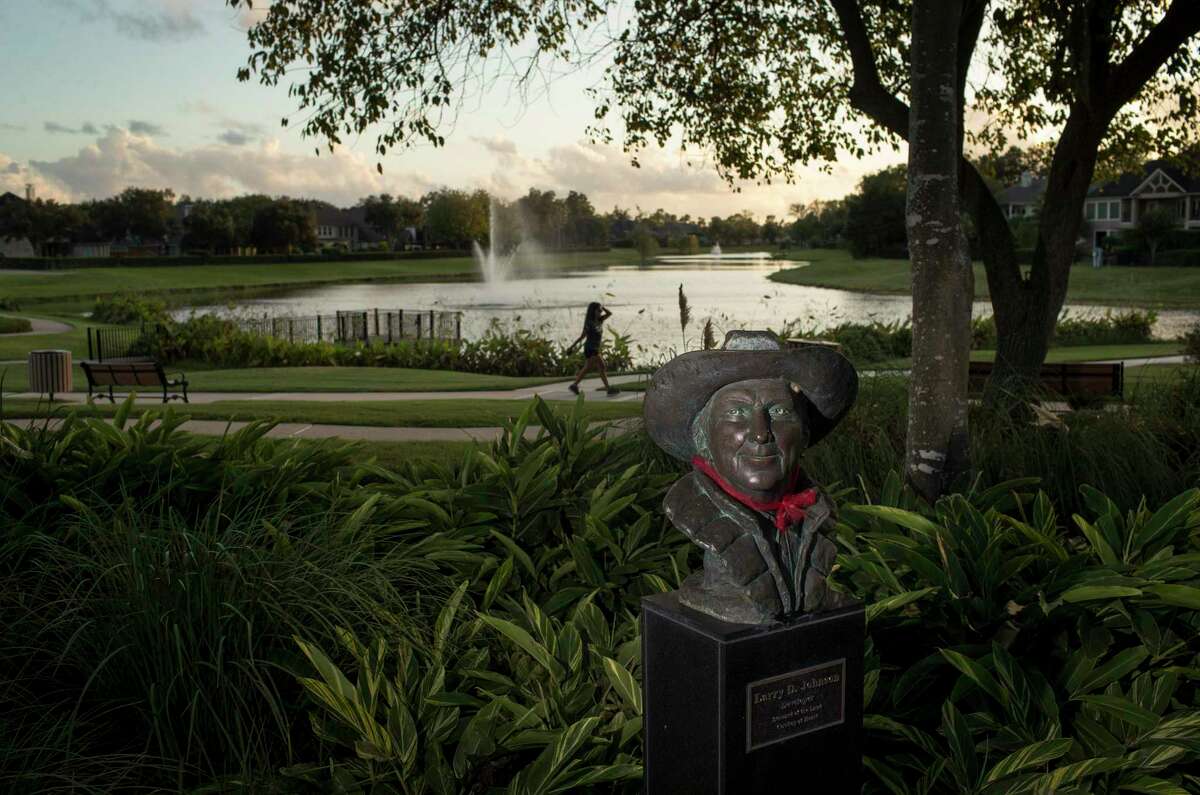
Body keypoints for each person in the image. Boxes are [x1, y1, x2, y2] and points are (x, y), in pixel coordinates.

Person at [566, 301, 619, 396]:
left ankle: (574, 385)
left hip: (596, 348)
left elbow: (609, 313)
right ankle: (608, 389)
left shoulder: (600, 320)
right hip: (590, 348)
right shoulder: (589, 323)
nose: (600, 312)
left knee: (590, 368)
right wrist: (572, 347)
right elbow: (582, 336)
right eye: (598, 310)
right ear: (593, 311)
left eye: (600, 310)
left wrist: (603, 307)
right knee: (600, 366)